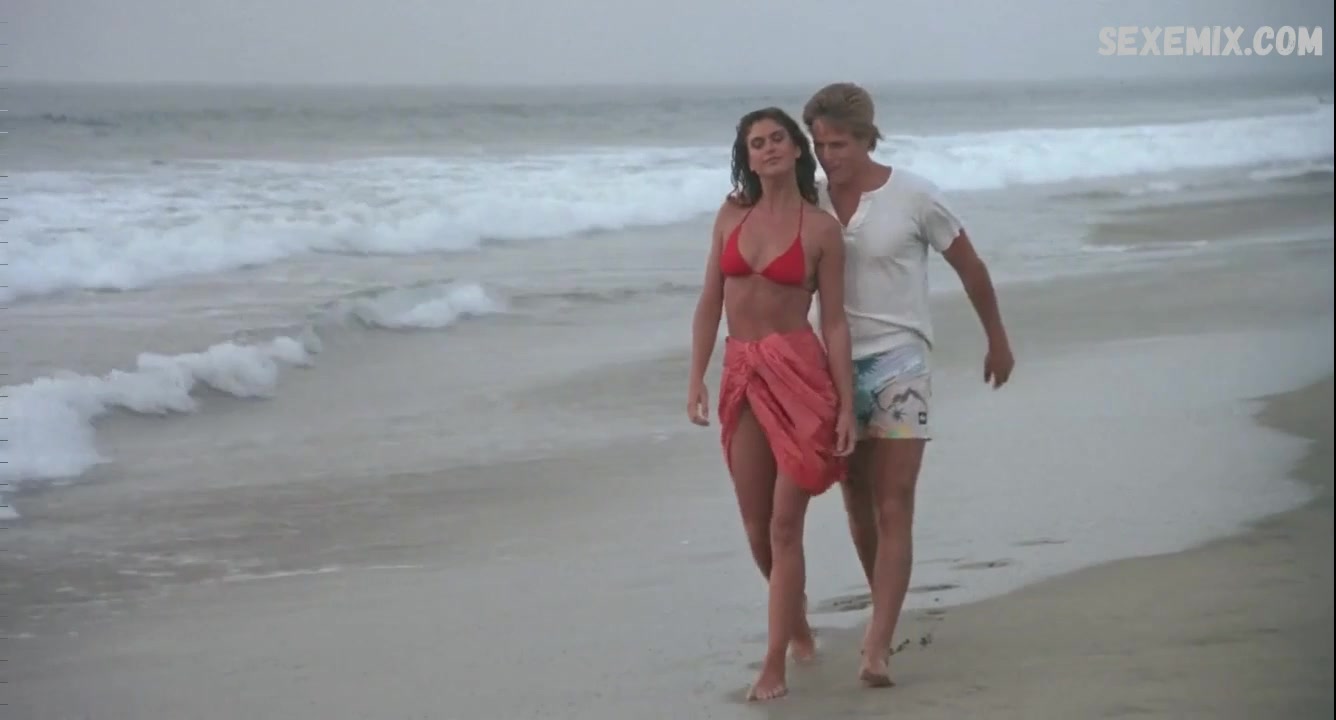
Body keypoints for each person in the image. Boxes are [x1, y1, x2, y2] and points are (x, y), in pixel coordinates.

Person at [801, 82, 1015, 688]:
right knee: (856, 501)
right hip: (832, 366)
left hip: (900, 362)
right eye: (819, 145)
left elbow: (970, 266)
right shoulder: (809, 197)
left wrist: (996, 338)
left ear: (867, 138)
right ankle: (885, 611)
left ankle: (876, 646)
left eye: (839, 145)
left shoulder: (914, 195)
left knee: (894, 500)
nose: (828, 157)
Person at [687, 106, 856, 702]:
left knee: (786, 526)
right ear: (748, 157)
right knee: (757, 527)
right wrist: (696, 377)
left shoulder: (821, 230)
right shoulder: (730, 216)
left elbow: (834, 322)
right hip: (741, 372)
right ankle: (797, 621)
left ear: (797, 148)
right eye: (756, 143)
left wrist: (846, 406)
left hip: (799, 375)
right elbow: (710, 302)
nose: (768, 149)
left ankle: (774, 663)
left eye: (777, 138)